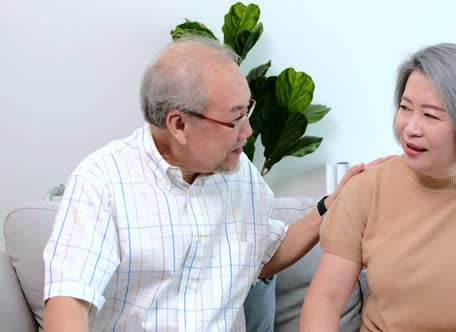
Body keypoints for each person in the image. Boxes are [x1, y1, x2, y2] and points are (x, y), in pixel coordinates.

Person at [42, 36, 389, 331]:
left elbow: (261, 255)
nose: (248, 131)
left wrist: (331, 205)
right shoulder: (102, 181)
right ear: (178, 124)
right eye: (235, 118)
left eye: (247, 111)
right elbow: (69, 302)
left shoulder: (239, 174)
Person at [300, 43, 456, 332]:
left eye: (431, 115)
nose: (410, 127)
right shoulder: (367, 186)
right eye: (405, 107)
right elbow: (325, 299)